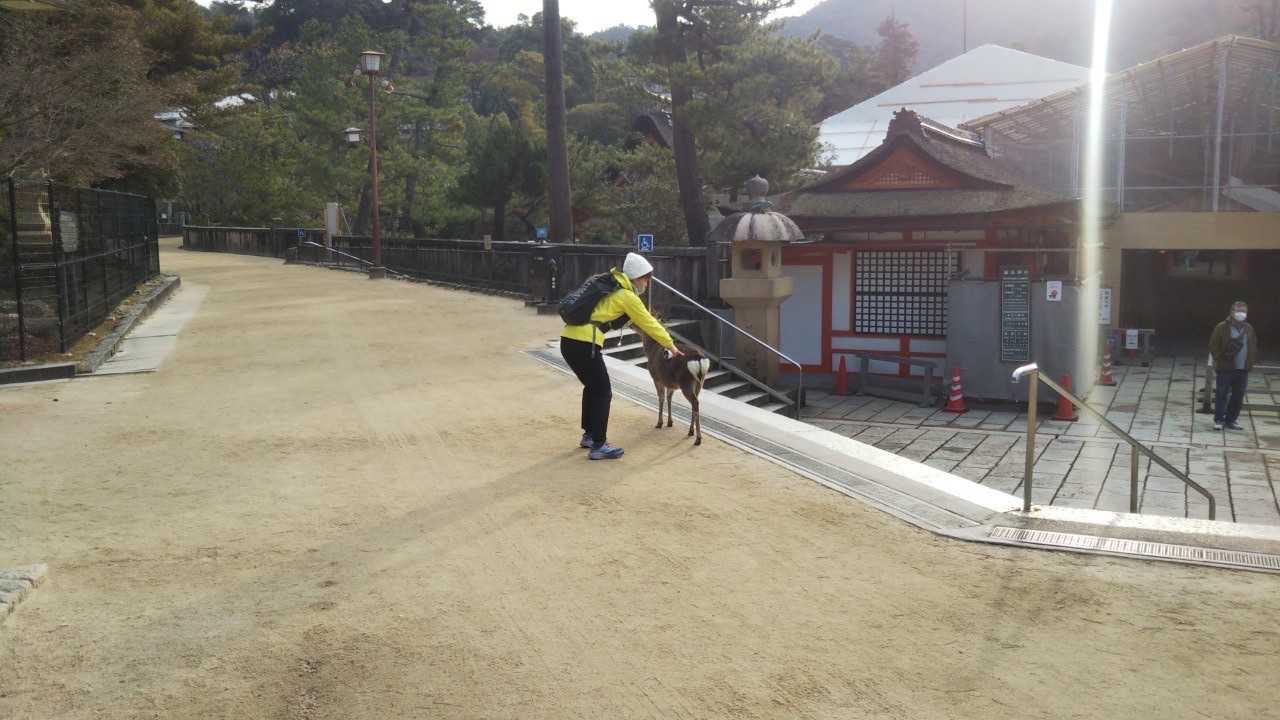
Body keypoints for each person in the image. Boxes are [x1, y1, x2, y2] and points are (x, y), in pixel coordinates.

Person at [560, 252, 681, 460]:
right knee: (603, 391)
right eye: (646, 278)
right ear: (636, 277)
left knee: (593, 388)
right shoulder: (627, 296)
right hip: (584, 343)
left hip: (569, 340)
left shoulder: (612, 288)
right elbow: (649, 323)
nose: (647, 283)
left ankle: (589, 436)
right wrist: (671, 346)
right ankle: (598, 445)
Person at [1208, 300, 1258, 431]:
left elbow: (1253, 345)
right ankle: (1219, 419)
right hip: (1226, 368)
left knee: (1238, 396)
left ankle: (1231, 420)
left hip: (1243, 369)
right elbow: (1213, 345)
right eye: (1238, 311)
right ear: (1231, 312)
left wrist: (1250, 362)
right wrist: (1219, 359)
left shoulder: (1249, 328)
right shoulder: (1221, 327)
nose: (1241, 313)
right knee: (1222, 394)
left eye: (1244, 311)